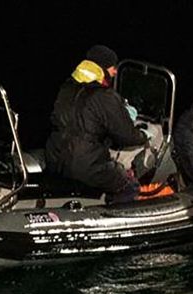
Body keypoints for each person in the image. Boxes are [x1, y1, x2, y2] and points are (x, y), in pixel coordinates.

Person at [44, 45, 150, 205]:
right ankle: (116, 221)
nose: (115, 72)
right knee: (128, 183)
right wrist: (143, 135)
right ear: (103, 68)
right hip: (84, 166)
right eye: (113, 68)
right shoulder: (105, 96)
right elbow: (127, 136)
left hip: (54, 158)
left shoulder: (67, 87)